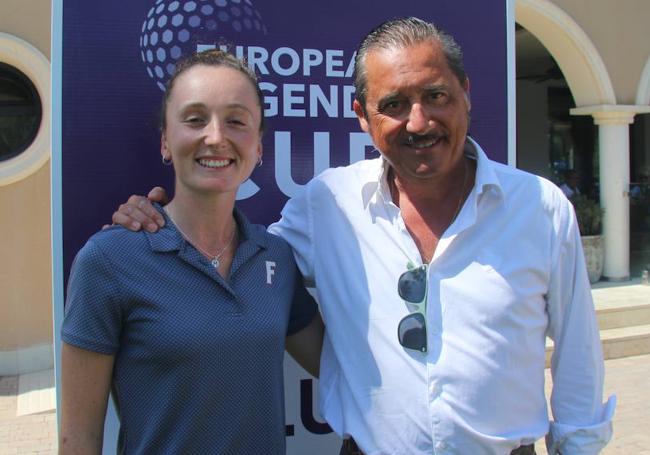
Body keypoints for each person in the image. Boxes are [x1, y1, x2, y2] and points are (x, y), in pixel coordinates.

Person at [112, 18, 615, 455]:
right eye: (393, 104)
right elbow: (231, 252)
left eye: (436, 95)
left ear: (466, 92)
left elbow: (578, 368)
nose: (419, 121)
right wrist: (157, 217)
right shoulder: (328, 204)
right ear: (362, 117)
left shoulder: (539, 209)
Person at [60, 49, 323, 454]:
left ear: (259, 147)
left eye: (236, 121)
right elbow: (78, 438)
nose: (216, 137)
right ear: (166, 141)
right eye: (195, 119)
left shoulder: (275, 256)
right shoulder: (107, 262)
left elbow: (337, 364)